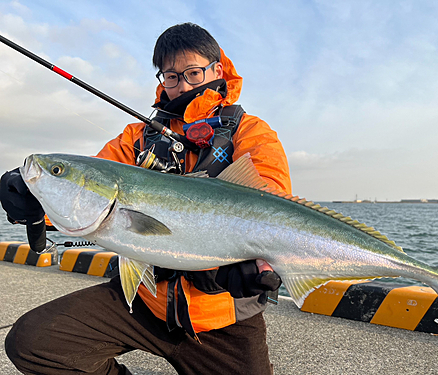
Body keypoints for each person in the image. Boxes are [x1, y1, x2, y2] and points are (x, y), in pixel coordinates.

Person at [0, 23, 291, 375]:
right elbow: (89, 193)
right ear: (161, 79)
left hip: (220, 315)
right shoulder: (137, 137)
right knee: (34, 343)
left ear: (216, 70)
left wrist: (259, 257)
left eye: (193, 72)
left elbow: (272, 198)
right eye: (171, 76)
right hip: (144, 303)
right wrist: (34, 203)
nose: (182, 84)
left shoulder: (249, 131)